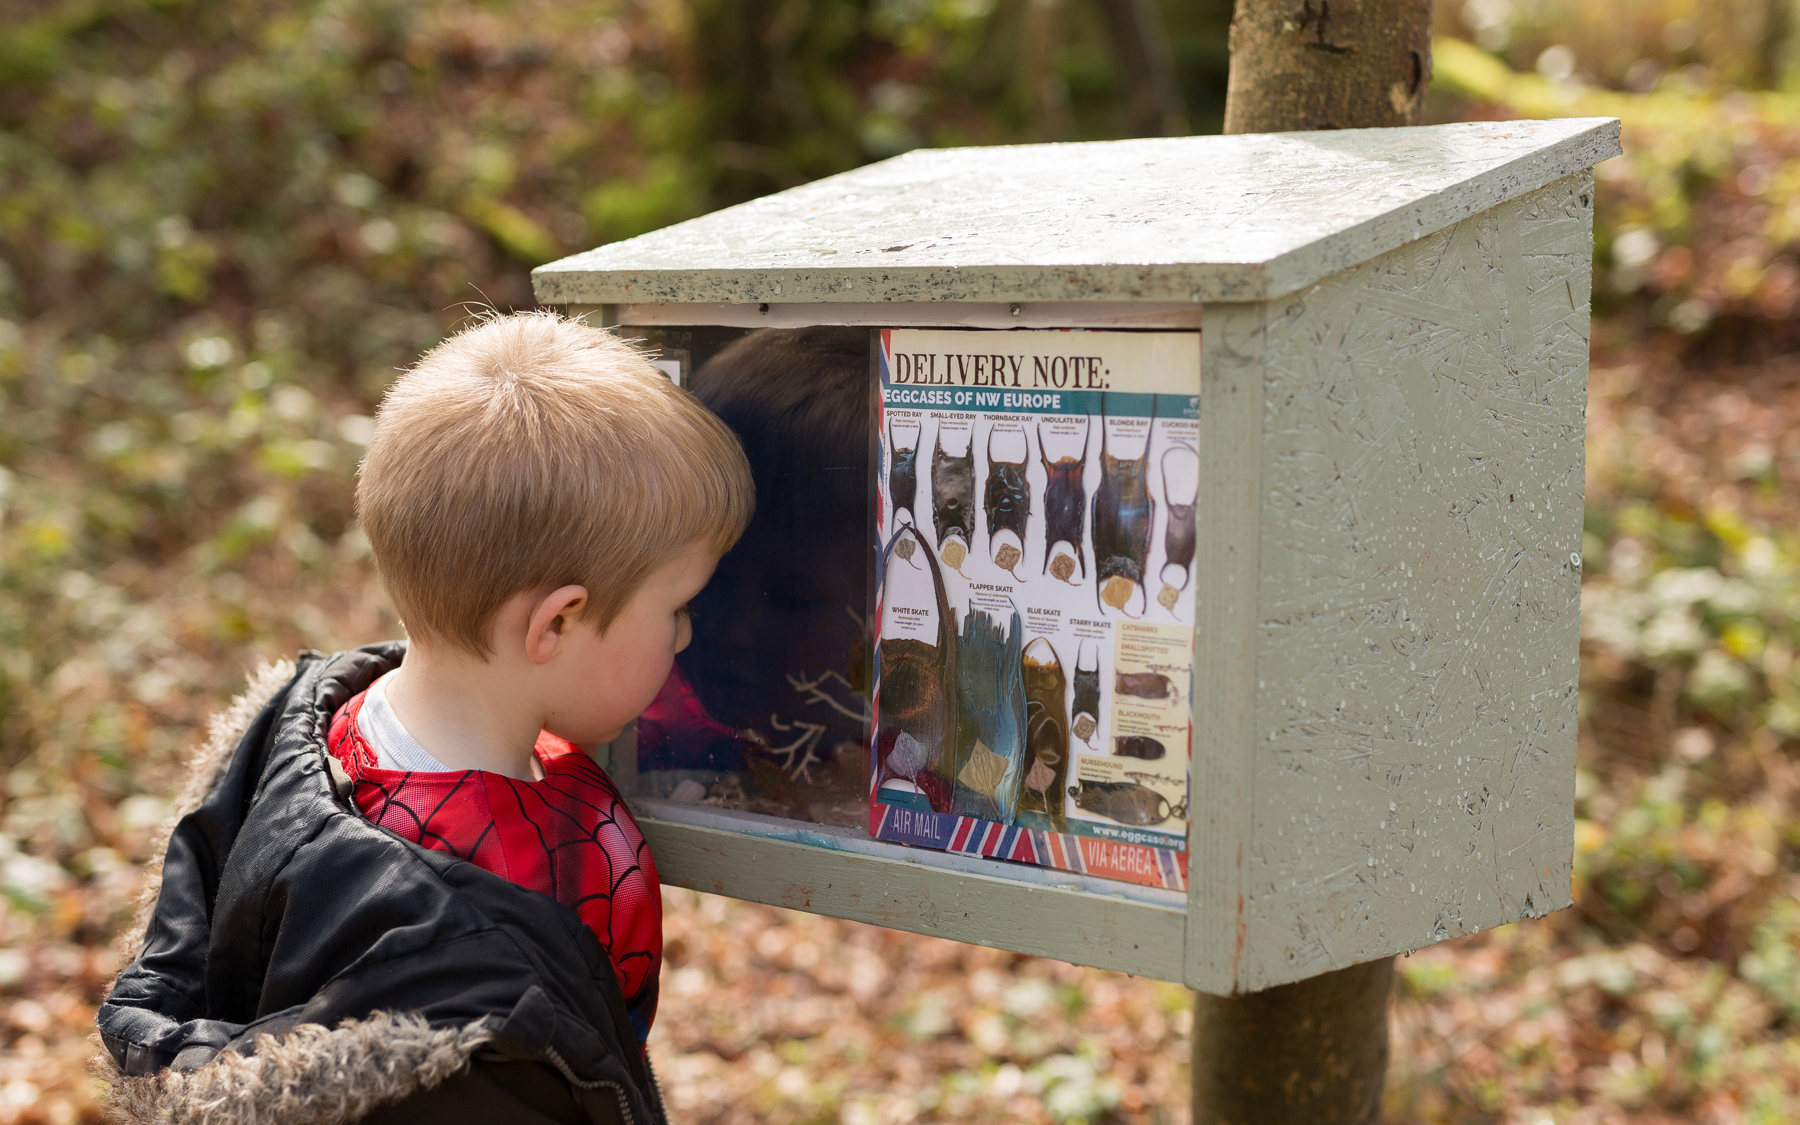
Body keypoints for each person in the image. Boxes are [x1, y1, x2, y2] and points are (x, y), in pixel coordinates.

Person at [95, 312, 755, 1125]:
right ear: (555, 624)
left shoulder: (314, 731)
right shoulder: (475, 957)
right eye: (679, 607)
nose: (689, 635)